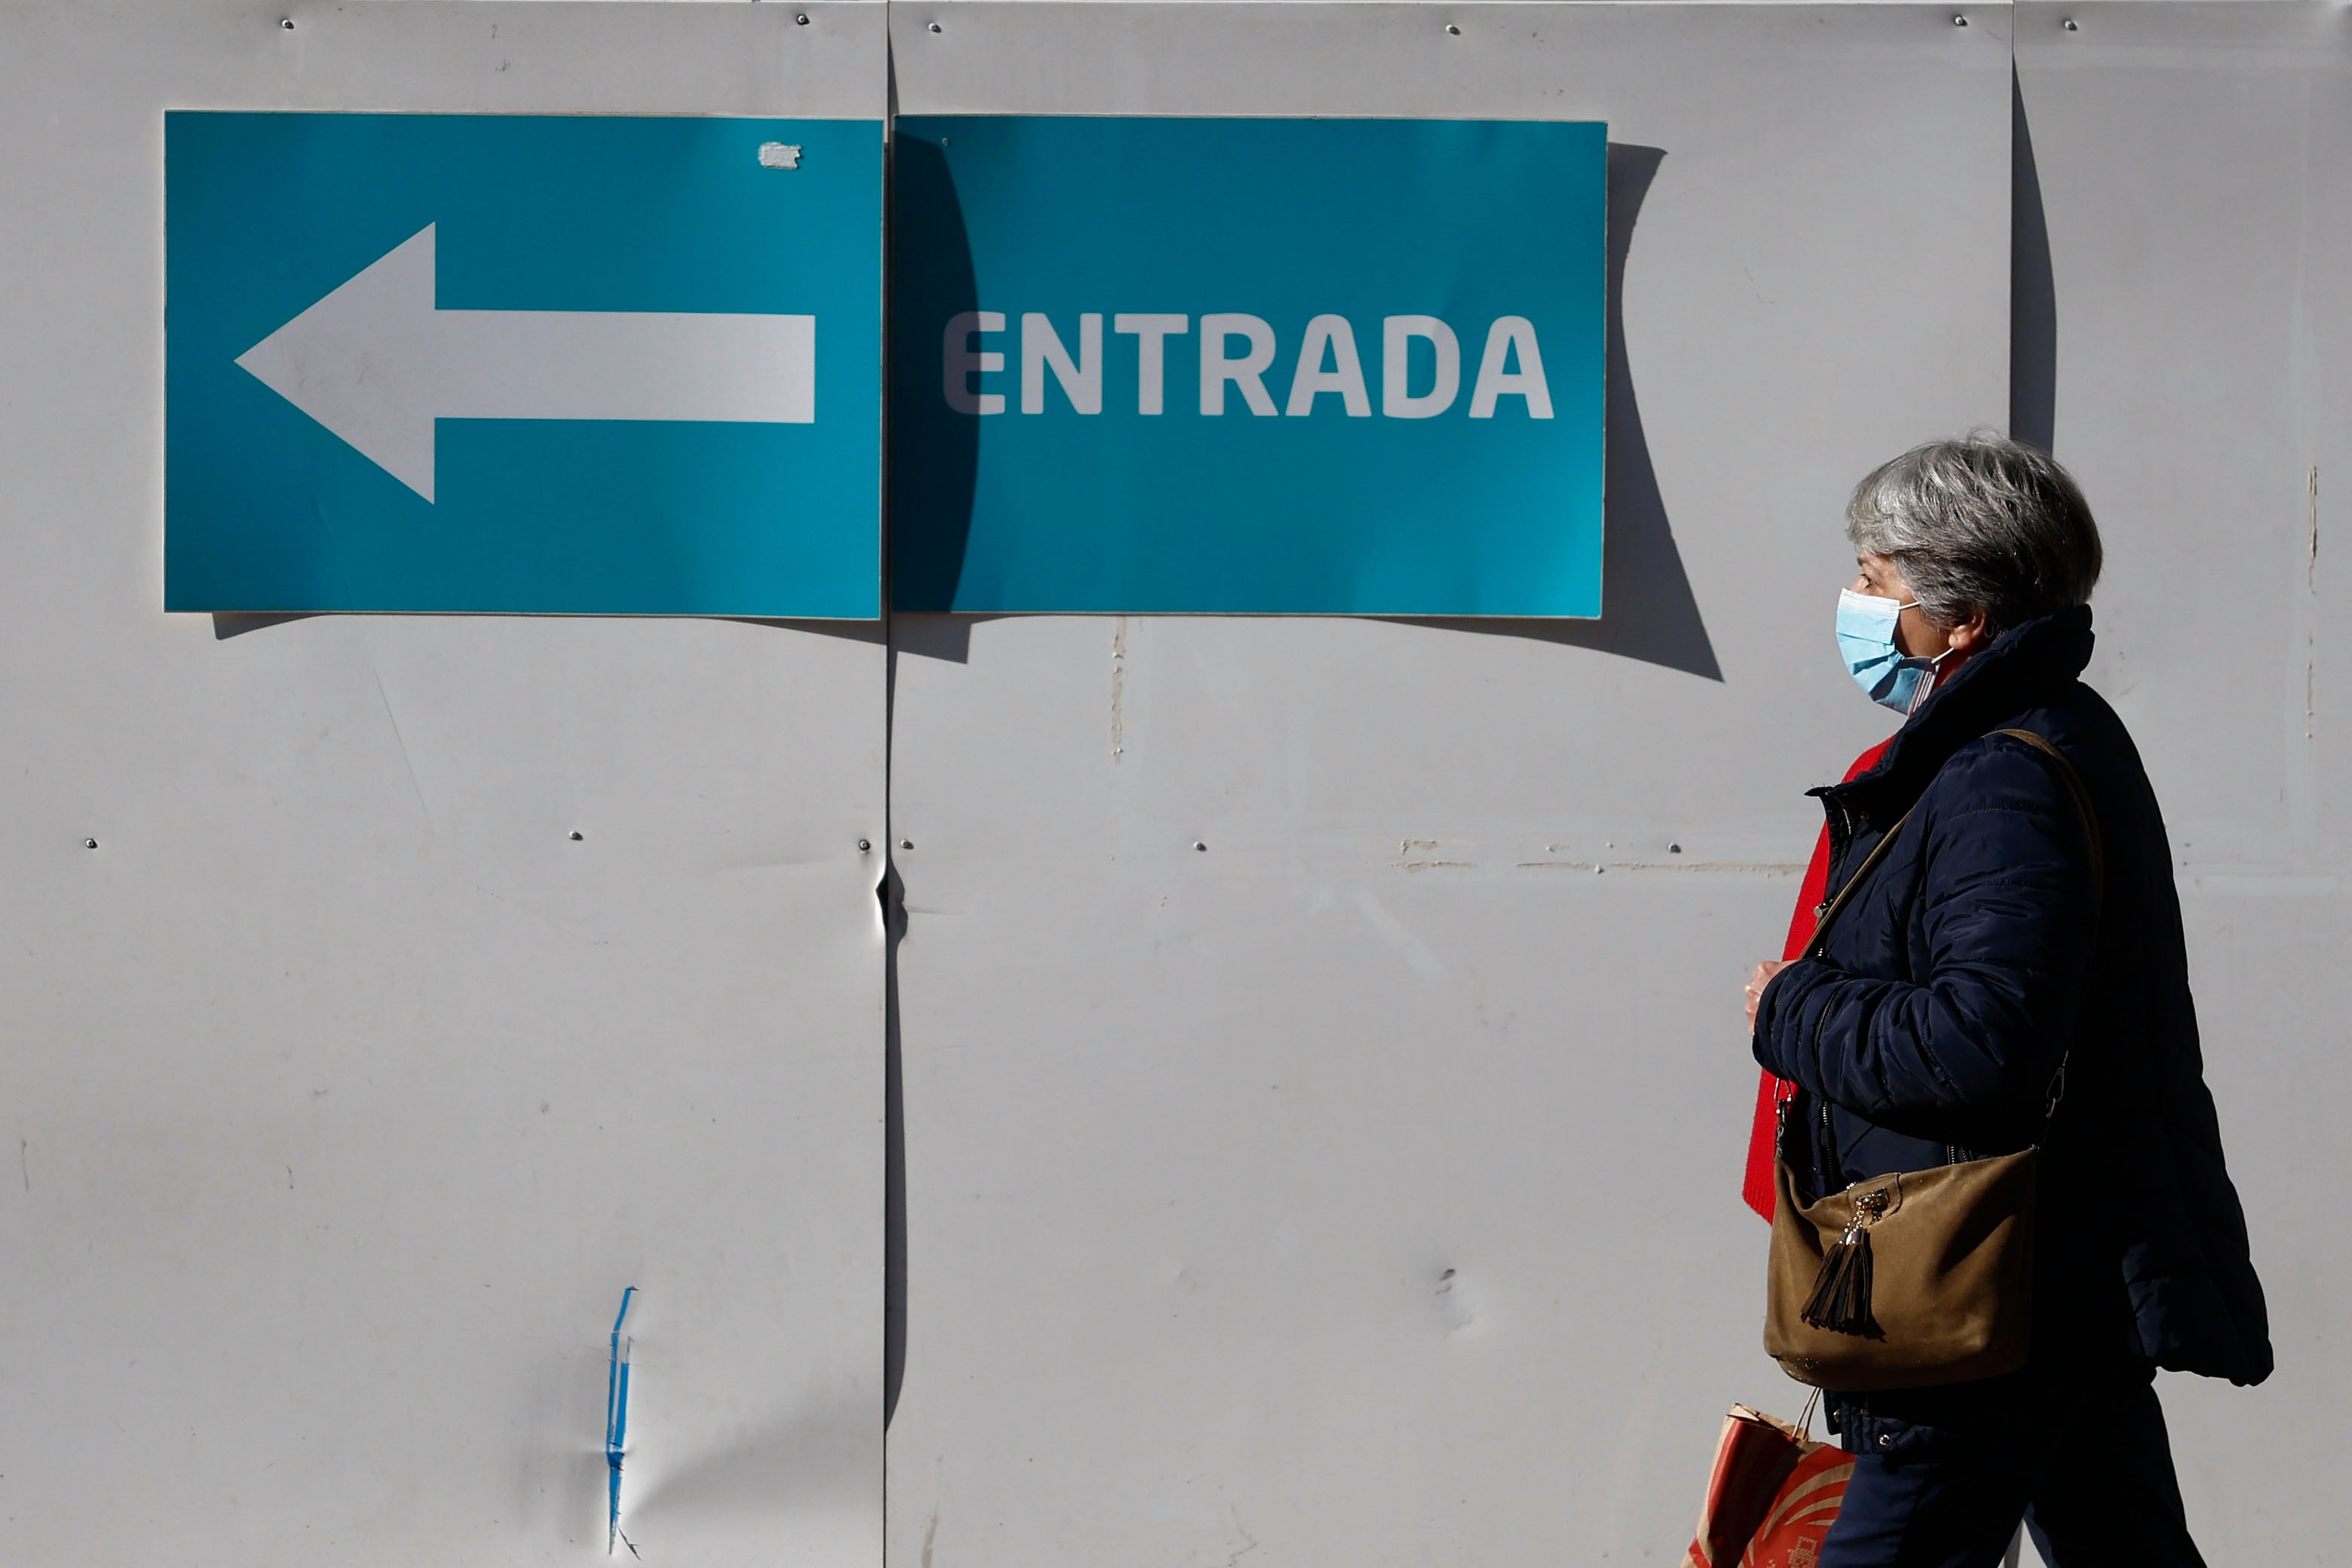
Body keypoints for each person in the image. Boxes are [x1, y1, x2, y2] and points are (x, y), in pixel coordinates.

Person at [1743, 435, 2271, 1568]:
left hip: (1989, 1292)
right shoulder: (2030, 741)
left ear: (1964, 616)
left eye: (1875, 578)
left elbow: (1982, 1045)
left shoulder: (2001, 774)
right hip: (2053, 1274)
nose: (1855, 601)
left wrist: (1790, 1010)